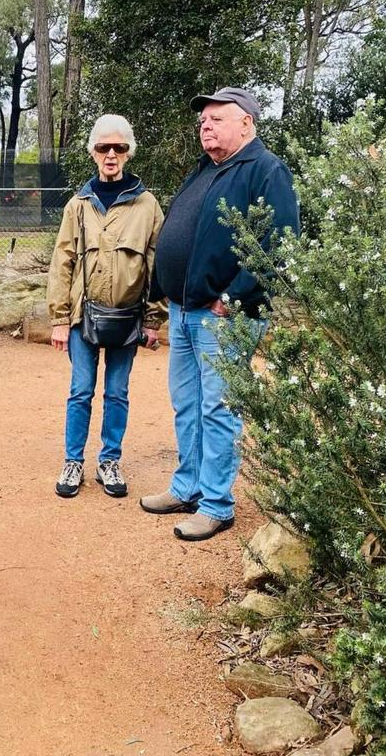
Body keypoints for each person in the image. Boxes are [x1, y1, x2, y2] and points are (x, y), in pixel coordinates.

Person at [141, 87, 299, 541]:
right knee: (187, 404)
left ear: (246, 123)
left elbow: (281, 243)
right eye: (202, 121)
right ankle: (187, 486)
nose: (205, 126)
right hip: (185, 310)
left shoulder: (266, 171)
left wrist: (233, 298)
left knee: (218, 408)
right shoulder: (206, 169)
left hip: (225, 317)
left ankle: (216, 504)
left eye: (216, 118)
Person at [46, 114, 166, 500]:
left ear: (129, 153)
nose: (111, 154)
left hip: (127, 319)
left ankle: (109, 460)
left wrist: (152, 320)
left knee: (117, 392)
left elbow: (156, 264)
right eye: (103, 148)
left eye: (118, 148)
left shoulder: (148, 205)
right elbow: (62, 261)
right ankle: (73, 461)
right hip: (83, 316)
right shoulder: (78, 205)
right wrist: (59, 320)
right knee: (80, 390)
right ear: (93, 153)